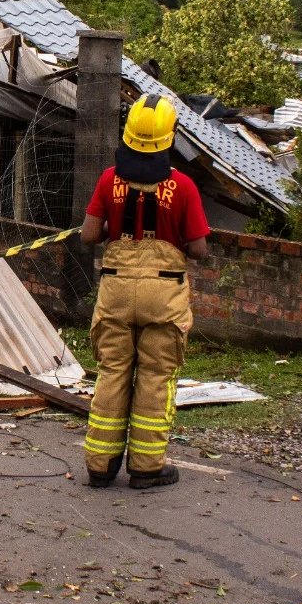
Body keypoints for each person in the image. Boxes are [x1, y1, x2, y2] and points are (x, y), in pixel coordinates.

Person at [79, 95, 210, 489]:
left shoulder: (109, 179)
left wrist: (114, 230)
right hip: (164, 295)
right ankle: (147, 469)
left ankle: (99, 467)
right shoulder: (183, 186)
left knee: (112, 372)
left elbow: (88, 235)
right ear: (168, 138)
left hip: (116, 289)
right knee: (155, 376)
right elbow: (199, 249)